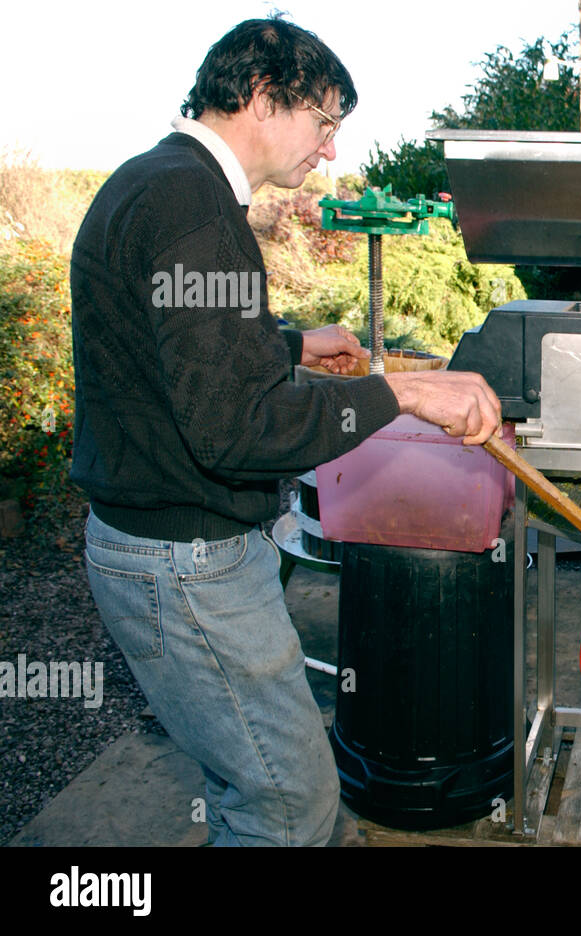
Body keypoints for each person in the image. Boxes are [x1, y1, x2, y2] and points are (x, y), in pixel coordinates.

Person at [69, 16, 501, 846]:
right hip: (186, 563)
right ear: (265, 97)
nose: (332, 152)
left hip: (166, 546)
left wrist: (292, 344)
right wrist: (401, 392)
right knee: (286, 804)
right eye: (326, 123)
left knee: (265, 783)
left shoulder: (161, 183)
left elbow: (171, 344)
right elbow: (237, 427)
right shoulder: (194, 208)